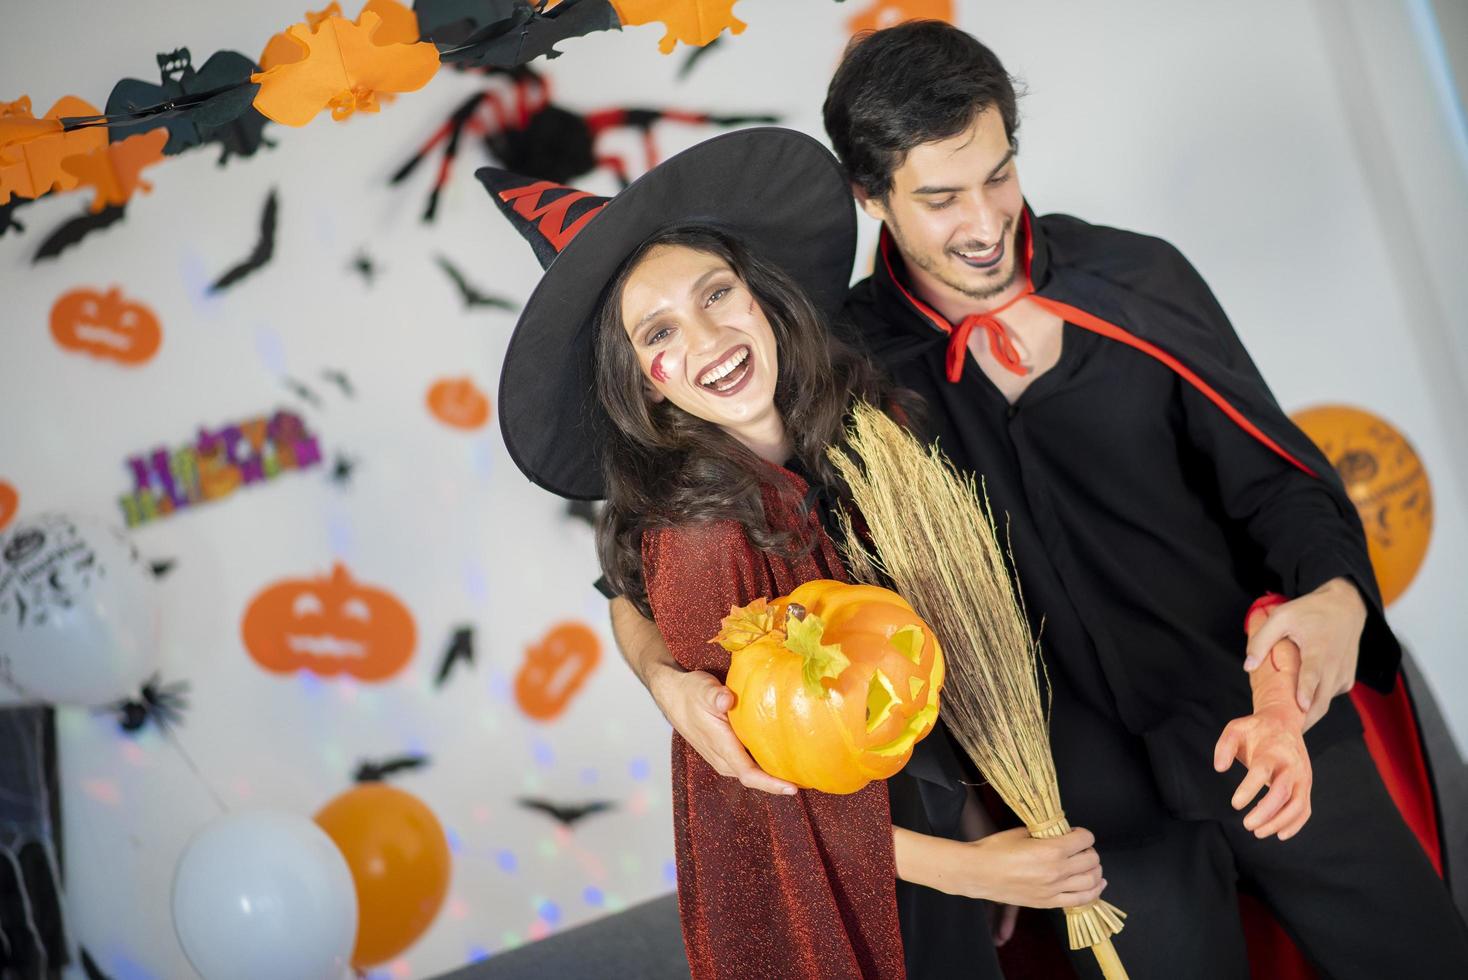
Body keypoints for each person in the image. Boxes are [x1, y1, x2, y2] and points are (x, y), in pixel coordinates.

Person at [609, 21, 1468, 980]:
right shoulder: (842, 363)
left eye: (999, 174)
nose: (984, 223)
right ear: (869, 195)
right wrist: (667, 680)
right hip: (1076, 809)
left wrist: (1336, 601)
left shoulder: (1138, 278)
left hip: (1266, 730)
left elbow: (1278, 484)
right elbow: (641, 570)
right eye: (939, 197)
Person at [477, 128, 1105, 980]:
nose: (704, 340)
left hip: (920, 839)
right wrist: (968, 869)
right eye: (658, 333)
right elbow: (771, 806)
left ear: (761, 294)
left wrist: (966, 827)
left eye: (716, 294)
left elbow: (894, 675)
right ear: (645, 380)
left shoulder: (851, 445)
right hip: (844, 896)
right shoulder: (701, 534)